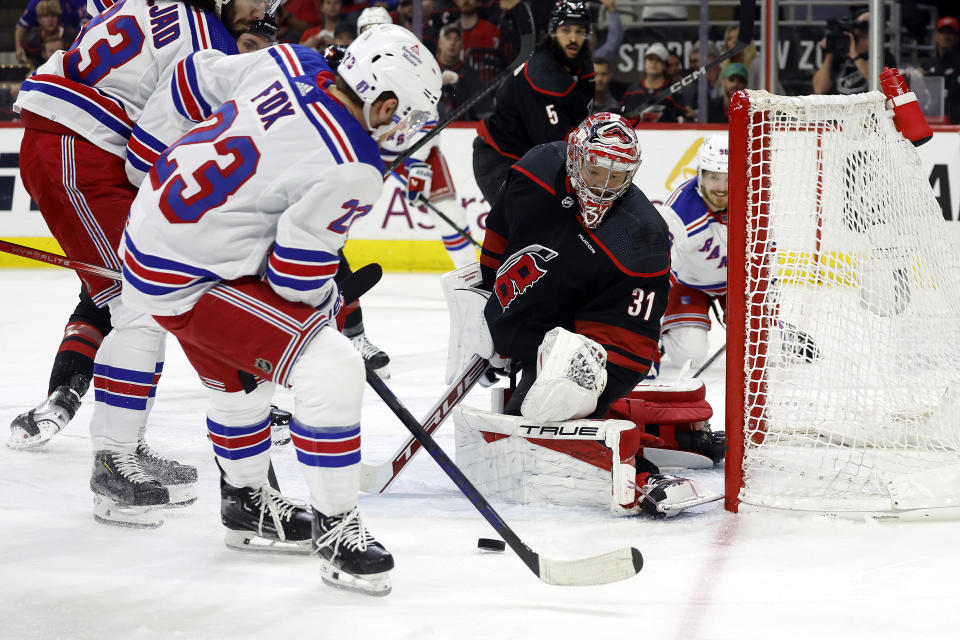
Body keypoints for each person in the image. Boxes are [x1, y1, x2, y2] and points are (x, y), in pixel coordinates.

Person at [120, 24, 441, 595]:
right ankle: (337, 528)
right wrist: (328, 301)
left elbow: (191, 78)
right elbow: (293, 277)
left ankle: (245, 502)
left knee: (241, 374)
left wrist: (144, 163)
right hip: (193, 277)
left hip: (150, 234)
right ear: (383, 101)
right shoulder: (355, 162)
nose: (402, 131)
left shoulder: (292, 59)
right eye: (404, 116)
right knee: (331, 362)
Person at [9, 0, 270, 520]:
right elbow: (146, 157)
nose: (264, 8)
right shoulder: (209, 39)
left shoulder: (168, 7)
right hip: (78, 150)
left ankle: (128, 445)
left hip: (74, 142)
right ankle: (113, 463)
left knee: (144, 303)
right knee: (138, 306)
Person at [472, 0, 595, 204]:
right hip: (500, 159)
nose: (573, 38)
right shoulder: (542, 76)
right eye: (566, 30)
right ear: (554, 31)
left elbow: (583, 120)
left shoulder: (582, 67)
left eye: (580, 31)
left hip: (533, 160)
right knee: (525, 225)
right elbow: (556, 146)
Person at [657, 134, 728, 369]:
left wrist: (765, 309)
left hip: (737, 287)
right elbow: (657, 271)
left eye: (728, 178)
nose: (721, 187)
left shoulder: (754, 201)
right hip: (689, 283)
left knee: (766, 346)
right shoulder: (679, 212)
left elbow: (765, 259)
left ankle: (784, 333)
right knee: (689, 356)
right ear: (700, 175)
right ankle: (667, 335)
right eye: (713, 177)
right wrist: (647, 336)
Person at [812, 11, 895, 95]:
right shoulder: (839, 53)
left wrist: (855, 56)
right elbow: (819, 89)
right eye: (860, 25)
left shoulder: (883, 57)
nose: (863, 31)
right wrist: (830, 51)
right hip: (839, 105)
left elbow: (881, 86)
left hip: (867, 105)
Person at [620, 42, 692, 124]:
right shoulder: (632, 91)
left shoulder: (673, 92)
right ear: (644, 63)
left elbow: (682, 119)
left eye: (658, 59)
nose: (653, 62)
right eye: (650, 59)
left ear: (665, 65)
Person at [14, 0, 86, 66]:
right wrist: (18, 47)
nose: (50, 19)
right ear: (39, 20)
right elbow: (21, 26)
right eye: (45, 16)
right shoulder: (31, 44)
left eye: (53, 15)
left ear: (58, 17)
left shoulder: (73, 39)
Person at [923, 16, 960, 123]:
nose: (946, 36)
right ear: (936, 35)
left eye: (951, 33)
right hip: (931, 117)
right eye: (943, 32)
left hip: (955, 120)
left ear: (956, 37)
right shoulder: (927, 64)